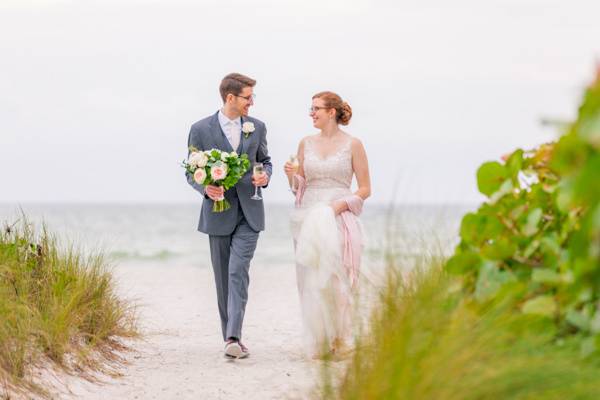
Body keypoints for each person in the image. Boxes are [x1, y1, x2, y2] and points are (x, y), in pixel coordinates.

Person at [185, 73, 272, 359]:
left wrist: (266, 176)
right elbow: (191, 170)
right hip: (217, 212)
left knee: (237, 271)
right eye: (248, 97)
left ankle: (234, 335)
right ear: (230, 97)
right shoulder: (200, 129)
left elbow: (265, 161)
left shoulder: (256, 127)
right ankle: (230, 337)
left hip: (250, 211)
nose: (252, 102)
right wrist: (205, 188)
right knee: (223, 278)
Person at [284, 91, 371, 358]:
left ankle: (340, 339)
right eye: (310, 109)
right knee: (309, 279)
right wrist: (291, 177)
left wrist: (339, 206)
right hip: (307, 216)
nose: (311, 113)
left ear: (331, 112)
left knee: (337, 279)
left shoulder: (353, 144)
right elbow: (299, 186)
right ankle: (319, 340)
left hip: (338, 216)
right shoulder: (305, 143)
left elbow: (365, 189)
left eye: (316, 108)